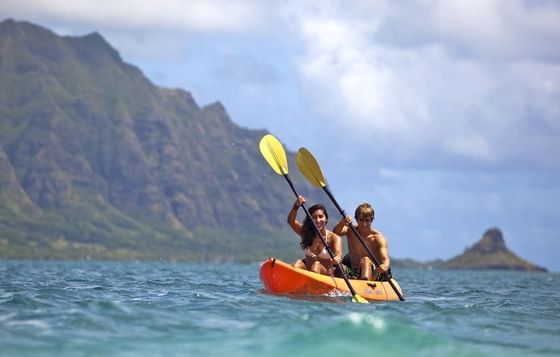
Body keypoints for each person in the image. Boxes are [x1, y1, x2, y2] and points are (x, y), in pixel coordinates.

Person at [333, 203, 390, 281]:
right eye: (361, 220)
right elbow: (335, 233)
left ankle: (365, 283)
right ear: (356, 219)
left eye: (367, 220)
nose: (364, 224)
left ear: (372, 219)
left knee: (365, 260)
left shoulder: (378, 238)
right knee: (339, 266)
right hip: (353, 271)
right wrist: (342, 223)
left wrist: (385, 266)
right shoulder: (351, 230)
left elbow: (385, 259)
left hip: (373, 274)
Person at [287, 195, 343, 275]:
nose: (318, 220)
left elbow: (338, 253)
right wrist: (296, 206)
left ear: (326, 219)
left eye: (321, 217)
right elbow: (291, 221)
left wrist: (337, 258)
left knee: (316, 265)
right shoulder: (305, 233)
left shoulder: (334, 238)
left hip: (327, 276)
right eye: (314, 217)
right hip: (309, 273)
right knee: (298, 263)